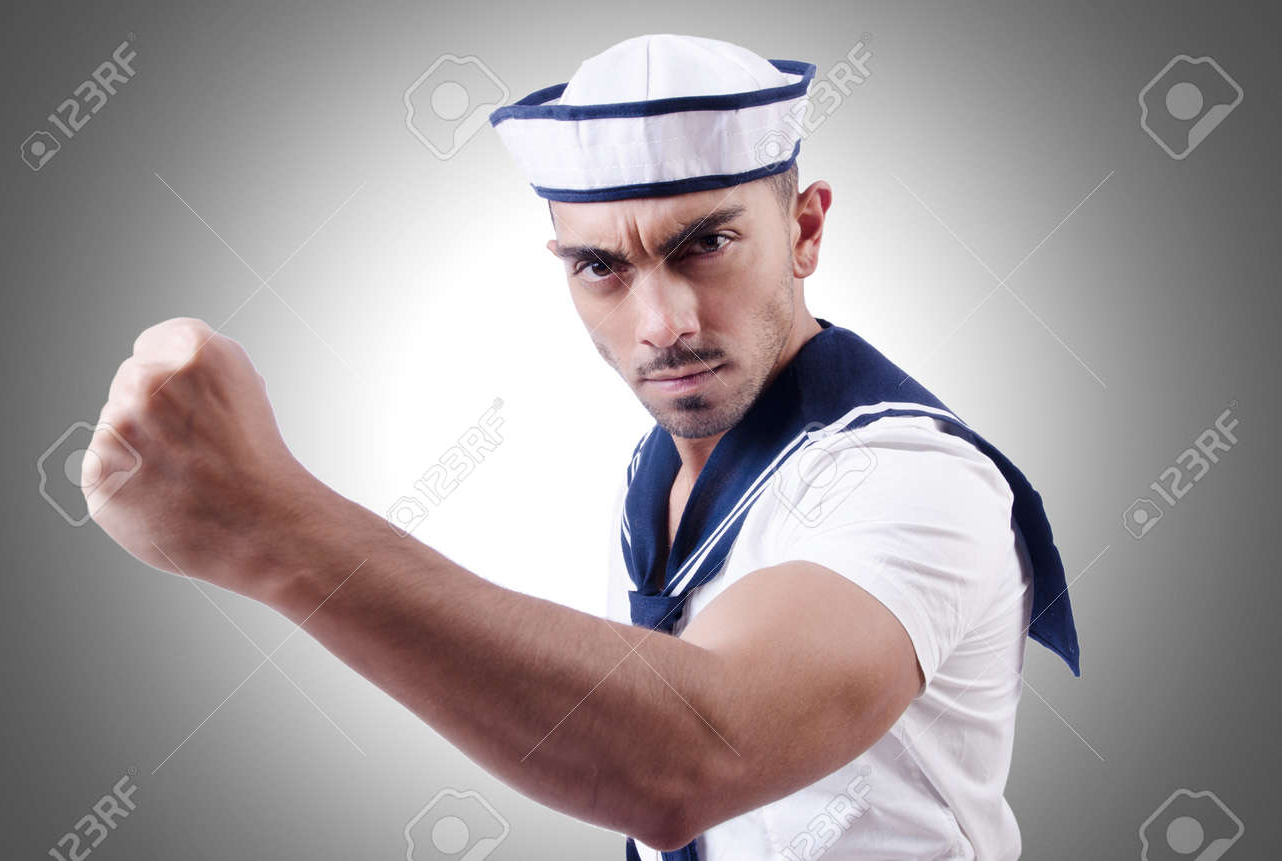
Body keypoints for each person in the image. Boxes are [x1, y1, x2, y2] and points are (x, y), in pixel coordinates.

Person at [83, 33, 1079, 860]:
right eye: (601, 266)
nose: (661, 324)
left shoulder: (908, 479)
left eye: (706, 245)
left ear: (805, 231)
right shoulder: (657, 471)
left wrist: (272, 523)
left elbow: (688, 756)